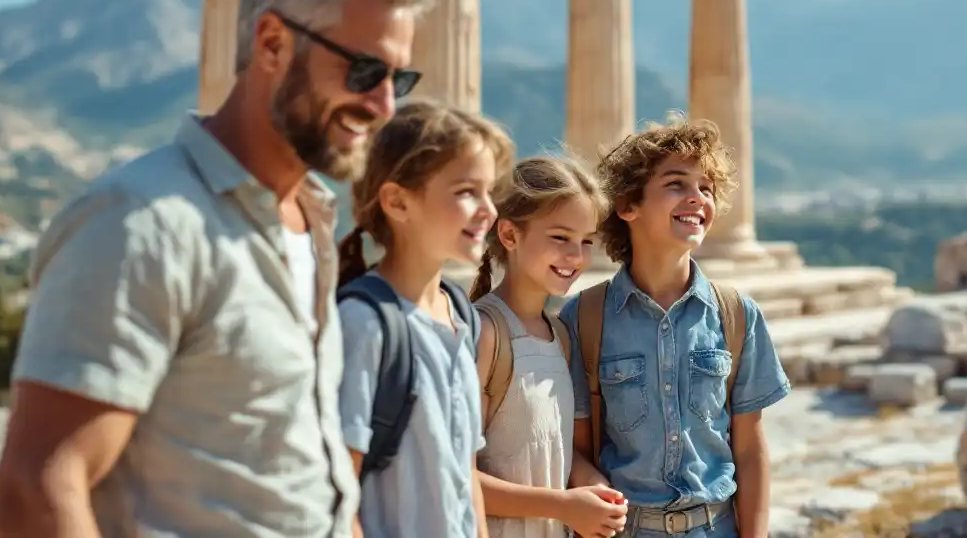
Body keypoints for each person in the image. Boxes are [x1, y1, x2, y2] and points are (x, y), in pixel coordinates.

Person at [0, 0, 434, 538]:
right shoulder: (141, 224)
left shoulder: (308, 220)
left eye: (399, 80)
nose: (385, 105)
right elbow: (36, 491)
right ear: (272, 43)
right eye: (364, 71)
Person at [558, 119, 791, 538]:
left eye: (706, 187)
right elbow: (575, 445)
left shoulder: (737, 315)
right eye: (676, 184)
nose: (697, 198)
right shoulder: (584, 318)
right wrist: (590, 487)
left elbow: (750, 449)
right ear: (628, 205)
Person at [335, 100, 515, 538]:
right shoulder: (364, 323)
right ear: (397, 201)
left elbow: (465, 474)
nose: (489, 209)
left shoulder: (461, 316)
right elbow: (341, 498)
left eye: (489, 191)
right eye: (466, 192)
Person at [470, 156, 629, 538]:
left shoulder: (559, 336)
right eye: (560, 237)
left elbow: (550, 445)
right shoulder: (484, 332)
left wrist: (592, 483)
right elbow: (456, 473)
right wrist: (562, 505)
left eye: (586, 241)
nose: (576, 256)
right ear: (509, 236)